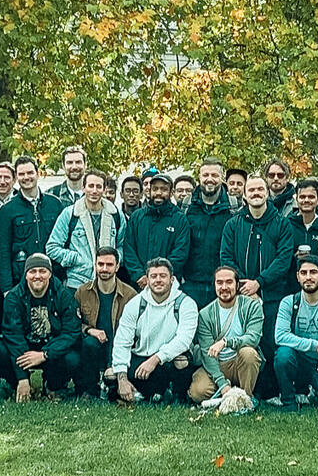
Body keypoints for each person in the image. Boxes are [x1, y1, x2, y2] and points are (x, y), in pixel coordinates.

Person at [219, 174, 294, 398]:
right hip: (242, 296)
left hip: (272, 296)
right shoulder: (233, 224)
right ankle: (246, 389)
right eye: (251, 190)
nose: (256, 193)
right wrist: (245, 286)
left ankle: (271, 392)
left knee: (270, 342)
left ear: (267, 192)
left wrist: (259, 283)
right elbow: (226, 257)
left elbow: (283, 259)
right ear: (244, 195)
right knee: (246, 344)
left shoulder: (282, 223)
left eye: (260, 189)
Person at [109, 258, 197, 402]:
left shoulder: (186, 303)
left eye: (163, 276)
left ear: (172, 279)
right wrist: (122, 378)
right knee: (111, 375)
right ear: (147, 280)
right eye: (154, 276)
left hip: (168, 361)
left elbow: (184, 340)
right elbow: (122, 341)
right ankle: (144, 393)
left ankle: (178, 395)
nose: (158, 280)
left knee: (181, 361)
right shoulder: (135, 304)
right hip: (142, 359)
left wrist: (156, 359)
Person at [0, 253, 81, 402]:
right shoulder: (13, 297)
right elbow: (13, 335)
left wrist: (45, 354)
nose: (37, 276)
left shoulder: (64, 296)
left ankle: (53, 386)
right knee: (0, 350)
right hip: (25, 346)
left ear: (50, 274)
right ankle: (17, 385)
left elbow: (71, 332)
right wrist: (22, 378)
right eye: (32, 271)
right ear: (26, 274)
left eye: (42, 271)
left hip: (51, 346)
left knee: (72, 358)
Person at [273, 256, 318, 410]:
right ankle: (288, 401)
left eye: (313, 272)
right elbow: (280, 336)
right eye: (303, 273)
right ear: (298, 276)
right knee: (283, 355)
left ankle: (314, 391)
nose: (308, 277)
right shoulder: (289, 302)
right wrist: (315, 345)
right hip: (298, 361)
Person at [189, 265, 264, 404]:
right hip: (217, 364)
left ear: (237, 285)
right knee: (198, 392)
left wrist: (226, 342)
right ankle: (227, 395)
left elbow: (253, 338)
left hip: (240, 362)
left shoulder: (252, 306)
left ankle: (245, 400)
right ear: (214, 286)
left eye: (229, 282)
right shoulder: (205, 314)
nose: (224, 287)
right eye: (219, 283)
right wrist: (223, 384)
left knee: (249, 353)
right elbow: (207, 353)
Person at [46, 169, 124, 297]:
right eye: (91, 186)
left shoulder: (115, 215)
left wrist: (113, 261)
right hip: (76, 283)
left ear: (104, 190)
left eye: (99, 186)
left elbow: (122, 245)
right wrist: (77, 258)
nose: (94, 190)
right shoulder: (70, 214)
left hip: (107, 284)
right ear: (83, 188)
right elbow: (52, 248)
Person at [0, 155, 65, 295]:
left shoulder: (55, 204)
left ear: (37, 174)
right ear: (16, 177)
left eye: (30, 173)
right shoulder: (7, 210)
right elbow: (2, 251)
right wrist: (7, 288)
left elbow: (65, 242)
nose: (26, 177)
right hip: (20, 281)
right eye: (21, 174)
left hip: (54, 279)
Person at [75, 247, 137, 397]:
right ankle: (89, 390)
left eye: (109, 265)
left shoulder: (130, 295)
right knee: (88, 342)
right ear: (95, 265)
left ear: (117, 266)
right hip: (93, 347)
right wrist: (89, 330)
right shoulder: (82, 292)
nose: (104, 269)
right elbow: (73, 324)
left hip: (120, 346)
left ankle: (113, 384)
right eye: (100, 264)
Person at [120, 172, 191, 288]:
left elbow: (180, 252)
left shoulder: (180, 219)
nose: (158, 193)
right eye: (155, 189)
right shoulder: (137, 217)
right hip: (139, 284)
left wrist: (160, 276)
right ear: (149, 191)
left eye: (164, 189)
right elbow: (129, 249)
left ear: (171, 192)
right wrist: (139, 275)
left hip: (168, 285)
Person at [183, 158, 232, 309]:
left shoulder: (234, 207)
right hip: (190, 284)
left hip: (222, 284)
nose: (209, 179)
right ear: (199, 177)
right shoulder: (186, 206)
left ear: (222, 178)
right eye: (205, 175)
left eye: (214, 175)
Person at [285, 178, 318, 294]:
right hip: (291, 286)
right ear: (296, 199)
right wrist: (294, 256)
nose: (306, 200)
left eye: (311, 197)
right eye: (302, 197)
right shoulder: (287, 224)